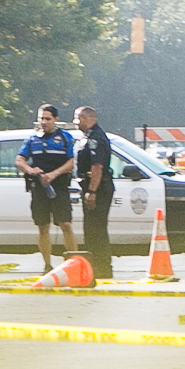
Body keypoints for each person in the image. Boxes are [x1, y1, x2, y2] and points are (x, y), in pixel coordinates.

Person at [20, 102, 78, 267]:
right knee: (43, 227)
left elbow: (71, 162)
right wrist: (30, 170)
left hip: (59, 186)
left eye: (47, 118)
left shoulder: (65, 138)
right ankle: (47, 265)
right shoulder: (32, 139)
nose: (44, 122)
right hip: (39, 188)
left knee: (65, 224)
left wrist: (54, 174)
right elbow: (19, 160)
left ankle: (73, 262)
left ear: (55, 119)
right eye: (41, 119)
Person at [75, 104, 119, 281]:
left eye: (77, 119)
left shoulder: (96, 138)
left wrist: (92, 191)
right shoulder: (89, 137)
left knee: (97, 229)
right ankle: (95, 266)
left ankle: (102, 267)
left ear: (86, 119)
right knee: (91, 229)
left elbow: (97, 167)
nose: (75, 123)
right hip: (92, 187)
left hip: (98, 189)